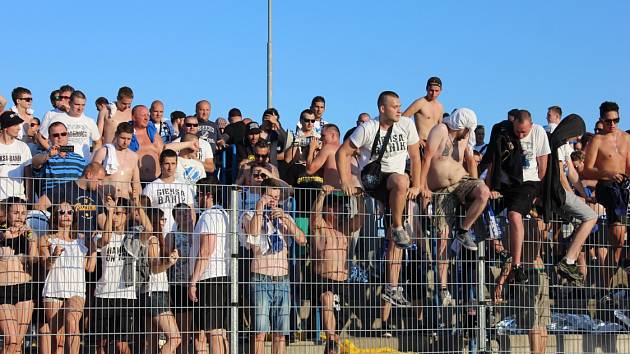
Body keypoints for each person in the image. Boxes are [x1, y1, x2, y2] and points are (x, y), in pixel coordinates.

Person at [419, 108, 490, 301]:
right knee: (443, 237)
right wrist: (422, 187)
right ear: (461, 126)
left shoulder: (466, 139)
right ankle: (442, 287)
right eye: (467, 129)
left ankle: (463, 230)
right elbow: (426, 158)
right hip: (440, 189)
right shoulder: (440, 130)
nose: (469, 133)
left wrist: (476, 183)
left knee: (484, 192)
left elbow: (470, 160)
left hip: (461, 181)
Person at [337, 90, 421, 248]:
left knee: (396, 249)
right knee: (402, 180)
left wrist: (417, 185)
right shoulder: (367, 128)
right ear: (382, 109)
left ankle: (396, 229)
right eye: (394, 107)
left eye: (400, 106)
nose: (399, 110)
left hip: (395, 184)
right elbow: (342, 152)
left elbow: (416, 157)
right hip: (373, 179)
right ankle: (398, 227)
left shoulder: (406, 124)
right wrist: (345, 181)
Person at [240, 178, 306, 354]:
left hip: (283, 280)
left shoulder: (286, 217)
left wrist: (285, 218)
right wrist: (260, 209)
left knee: (280, 334)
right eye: (270, 196)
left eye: (276, 197)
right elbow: (253, 233)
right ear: (262, 195)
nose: (274, 200)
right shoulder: (249, 214)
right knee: (259, 333)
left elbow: (302, 240)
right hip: (261, 279)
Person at [486, 110, 550, 284]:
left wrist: (540, 192)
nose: (520, 135)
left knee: (514, 215)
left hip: (529, 182)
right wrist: (490, 186)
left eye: (524, 132)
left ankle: (517, 264)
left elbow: (542, 164)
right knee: (482, 210)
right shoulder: (503, 133)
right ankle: (500, 252)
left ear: (531, 125)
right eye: (517, 132)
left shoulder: (538, 132)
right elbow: (493, 161)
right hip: (507, 184)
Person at [543, 114, 598, 286]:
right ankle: (568, 260)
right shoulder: (556, 142)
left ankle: (569, 260)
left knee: (585, 217)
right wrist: (573, 196)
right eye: (578, 133)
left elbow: (573, 174)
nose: (578, 138)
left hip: (561, 191)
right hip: (555, 191)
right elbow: (560, 174)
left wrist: (584, 195)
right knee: (590, 217)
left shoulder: (566, 145)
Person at [311, 185, 364, 353]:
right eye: (333, 207)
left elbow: (360, 218)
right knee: (327, 298)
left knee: (340, 314)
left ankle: (331, 345)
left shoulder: (345, 228)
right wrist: (322, 195)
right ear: (326, 209)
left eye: (339, 207)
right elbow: (314, 217)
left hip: (342, 282)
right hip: (323, 279)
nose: (337, 210)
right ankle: (332, 342)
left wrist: (360, 197)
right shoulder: (321, 228)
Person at [582, 101, 630, 286]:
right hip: (607, 185)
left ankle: (612, 282)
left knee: (619, 244)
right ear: (602, 120)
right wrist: (608, 173)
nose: (613, 124)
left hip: (624, 186)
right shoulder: (597, 140)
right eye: (609, 121)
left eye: (616, 120)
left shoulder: (626, 138)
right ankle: (606, 286)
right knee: (617, 236)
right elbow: (587, 170)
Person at [39, 201, 97, 354]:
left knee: (72, 325)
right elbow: (46, 265)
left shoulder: (82, 239)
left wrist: (94, 249)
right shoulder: (46, 239)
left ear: (74, 216)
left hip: (76, 291)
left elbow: (90, 267)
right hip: (54, 290)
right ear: (55, 216)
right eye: (61, 212)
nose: (66, 215)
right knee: (57, 340)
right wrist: (54, 255)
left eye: (69, 212)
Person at [92, 197, 144, 354]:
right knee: (101, 343)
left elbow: (149, 230)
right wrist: (109, 211)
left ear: (127, 215)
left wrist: (138, 206)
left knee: (121, 344)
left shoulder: (133, 237)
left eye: (118, 213)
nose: (115, 217)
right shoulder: (99, 235)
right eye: (113, 213)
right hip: (104, 294)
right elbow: (106, 240)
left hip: (125, 295)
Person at [188, 178, 231, 354]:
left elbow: (206, 249)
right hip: (220, 277)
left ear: (207, 195)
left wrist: (193, 281)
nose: (197, 198)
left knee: (214, 333)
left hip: (211, 278)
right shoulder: (224, 214)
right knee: (219, 332)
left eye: (198, 194)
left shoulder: (209, 215)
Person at [138, 199, 182, 354]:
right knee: (175, 338)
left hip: (150, 292)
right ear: (156, 221)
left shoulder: (150, 240)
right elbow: (155, 268)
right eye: (162, 219)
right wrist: (170, 262)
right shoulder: (153, 240)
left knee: (152, 342)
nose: (164, 222)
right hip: (154, 292)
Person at [0, 198, 38, 353]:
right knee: (11, 340)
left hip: (25, 289)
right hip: (3, 290)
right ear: (7, 214)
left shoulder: (29, 234)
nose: (19, 217)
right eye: (15, 212)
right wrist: (5, 237)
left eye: (23, 213)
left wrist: (32, 241)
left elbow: (33, 261)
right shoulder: (2, 232)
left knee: (17, 344)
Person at [37, 162, 106, 235]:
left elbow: (102, 221)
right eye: (99, 179)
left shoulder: (96, 194)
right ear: (89, 175)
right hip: (68, 240)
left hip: (89, 242)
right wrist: (55, 228)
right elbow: (39, 205)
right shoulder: (64, 188)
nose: (100, 184)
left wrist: (102, 231)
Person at [165, 203, 197, 354]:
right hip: (178, 285)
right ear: (175, 218)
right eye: (181, 214)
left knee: (192, 331)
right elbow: (165, 263)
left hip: (195, 284)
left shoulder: (197, 234)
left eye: (187, 213)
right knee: (180, 330)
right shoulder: (172, 236)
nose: (185, 216)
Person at [38, 90, 102, 161]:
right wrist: (52, 150)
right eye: (77, 104)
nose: (80, 108)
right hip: (61, 163)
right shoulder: (57, 118)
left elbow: (98, 143)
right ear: (70, 103)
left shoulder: (89, 121)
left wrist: (92, 160)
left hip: (83, 165)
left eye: (83, 105)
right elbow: (42, 137)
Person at [142, 149, 195, 235]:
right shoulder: (151, 187)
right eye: (167, 164)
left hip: (180, 236)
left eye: (173, 164)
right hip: (159, 235)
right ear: (161, 164)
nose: (170, 167)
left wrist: (189, 233)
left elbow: (191, 212)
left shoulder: (184, 187)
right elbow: (143, 213)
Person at [32, 121, 87, 195]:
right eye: (55, 135)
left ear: (67, 136)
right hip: (51, 203)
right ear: (49, 138)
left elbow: (84, 182)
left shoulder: (79, 159)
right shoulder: (44, 157)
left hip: (73, 202)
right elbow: (34, 162)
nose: (60, 137)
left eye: (63, 134)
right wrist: (49, 155)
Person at [91, 121, 141, 199]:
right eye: (123, 138)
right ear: (116, 135)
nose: (125, 142)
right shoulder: (104, 152)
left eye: (129, 139)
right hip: (105, 198)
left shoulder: (134, 156)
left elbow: (136, 182)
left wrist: (137, 198)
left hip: (125, 201)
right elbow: (92, 177)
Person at [402, 76, 444, 147]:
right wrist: (416, 138)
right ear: (426, 88)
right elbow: (403, 119)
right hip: (421, 144)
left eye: (436, 91)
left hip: (435, 146)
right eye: (431, 90)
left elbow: (441, 128)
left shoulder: (440, 106)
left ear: (441, 90)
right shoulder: (420, 103)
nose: (433, 94)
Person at [0, 111, 33, 201]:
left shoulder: (23, 147)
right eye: (15, 125)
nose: (19, 128)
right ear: (5, 127)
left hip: (18, 200)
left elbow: (28, 175)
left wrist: (29, 199)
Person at [128, 105, 165, 182]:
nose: (146, 118)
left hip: (156, 181)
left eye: (147, 115)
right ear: (133, 117)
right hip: (136, 182)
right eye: (143, 115)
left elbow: (163, 154)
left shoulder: (153, 134)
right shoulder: (127, 135)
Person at [305, 123, 341, 188]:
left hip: (331, 193)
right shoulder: (345, 149)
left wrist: (311, 149)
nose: (321, 139)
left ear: (333, 135)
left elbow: (309, 171)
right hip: (346, 193)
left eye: (323, 136)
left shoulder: (328, 148)